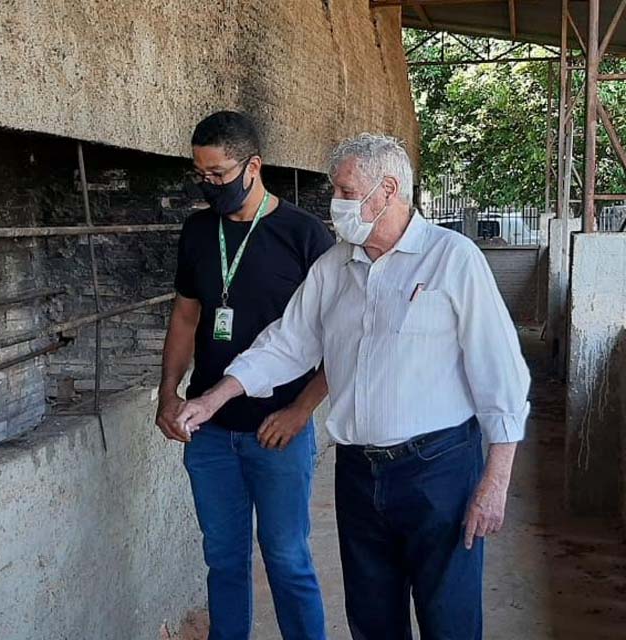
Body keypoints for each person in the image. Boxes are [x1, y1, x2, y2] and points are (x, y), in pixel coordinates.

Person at [175, 133, 531, 640]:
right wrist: (215, 396)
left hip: (439, 472)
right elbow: (287, 344)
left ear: (387, 189)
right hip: (359, 473)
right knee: (371, 619)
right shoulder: (334, 267)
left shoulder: (453, 259)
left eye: (344, 191)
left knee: (448, 619)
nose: (334, 203)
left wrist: (494, 484)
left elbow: (502, 377)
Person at [155, 111, 334, 640]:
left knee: (287, 559)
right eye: (200, 175)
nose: (208, 186)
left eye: (218, 175)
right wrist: (168, 393)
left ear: (252, 166)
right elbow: (185, 317)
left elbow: (339, 340)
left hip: (276, 429)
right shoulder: (196, 230)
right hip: (208, 430)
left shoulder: (305, 236)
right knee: (224, 559)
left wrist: (301, 411)